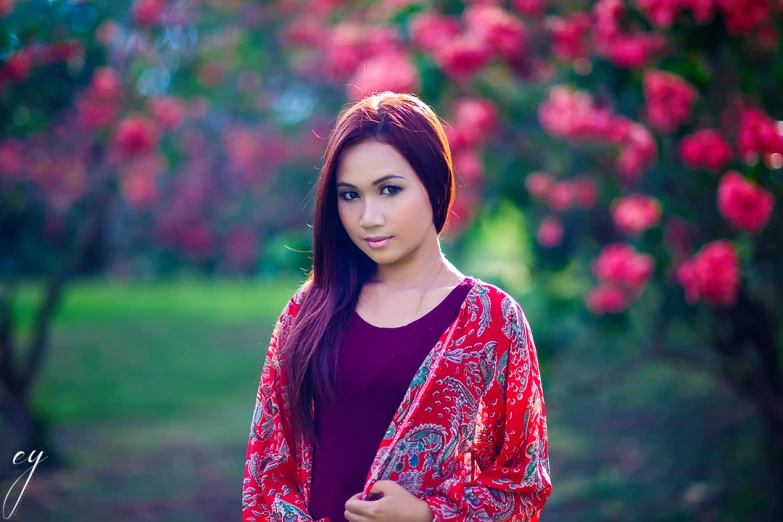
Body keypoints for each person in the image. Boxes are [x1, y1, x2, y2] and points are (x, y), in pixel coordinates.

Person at [242, 92, 552, 522]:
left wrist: (428, 515)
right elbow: (267, 469)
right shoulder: (308, 311)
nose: (369, 216)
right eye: (350, 195)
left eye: (389, 190)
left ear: (435, 185)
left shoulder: (491, 319)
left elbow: (523, 483)